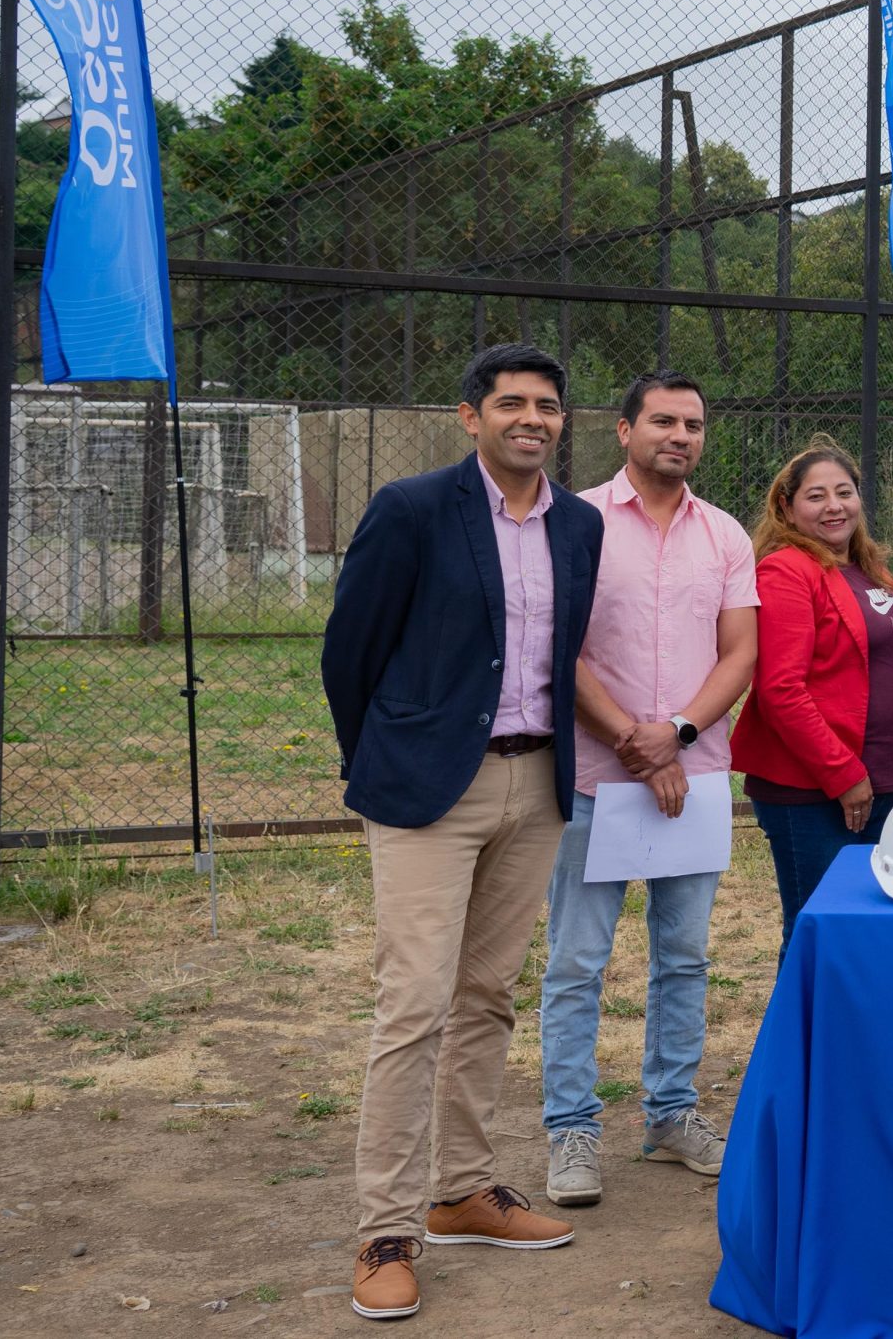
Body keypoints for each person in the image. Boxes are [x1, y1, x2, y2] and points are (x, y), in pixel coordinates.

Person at [319, 344, 604, 1320]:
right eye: (512, 402)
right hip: (427, 793)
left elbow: (562, 653)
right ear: (469, 414)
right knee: (415, 1002)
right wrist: (388, 758)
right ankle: (384, 1228)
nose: (532, 417)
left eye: (548, 406)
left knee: (486, 994)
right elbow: (349, 650)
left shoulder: (578, 523)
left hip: (537, 784)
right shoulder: (412, 509)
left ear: (564, 421)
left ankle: (463, 1189)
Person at [540, 372, 758, 1210]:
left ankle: (670, 1114)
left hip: (694, 783)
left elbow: (738, 653)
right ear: (624, 429)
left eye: (694, 424)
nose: (681, 435)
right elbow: (558, 647)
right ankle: (572, 1129)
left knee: (687, 957)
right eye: (662, 421)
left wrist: (679, 734)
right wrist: (636, 741)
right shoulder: (577, 522)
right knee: (576, 962)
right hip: (600, 780)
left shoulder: (726, 535)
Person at [732, 437, 893, 946]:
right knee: (818, 930)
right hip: (813, 790)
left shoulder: (867, 568)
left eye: (844, 492)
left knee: (869, 932)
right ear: (786, 508)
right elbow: (780, 689)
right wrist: (843, 774)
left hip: (882, 776)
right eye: (816, 496)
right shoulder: (785, 571)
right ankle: (802, 1029)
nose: (834, 506)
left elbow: (884, 657)